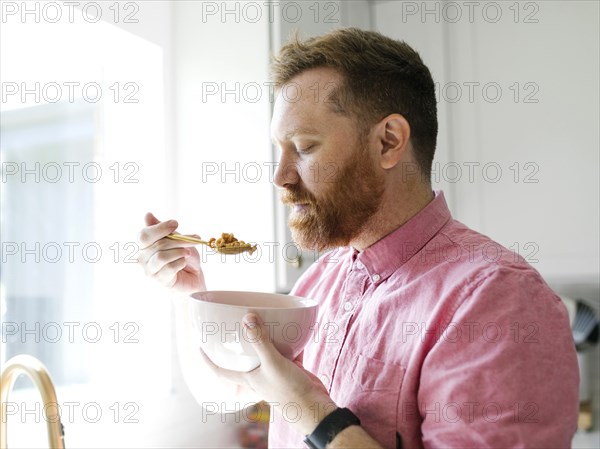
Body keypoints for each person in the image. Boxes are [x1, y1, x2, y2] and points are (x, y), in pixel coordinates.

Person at [137, 28, 579, 448]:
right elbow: (228, 390)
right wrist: (188, 292)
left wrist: (308, 409)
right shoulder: (321, 281)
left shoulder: (496, 300)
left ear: (388, 142)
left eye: (305, 147)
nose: (279, 176)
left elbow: (294, 401)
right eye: (279, 150)